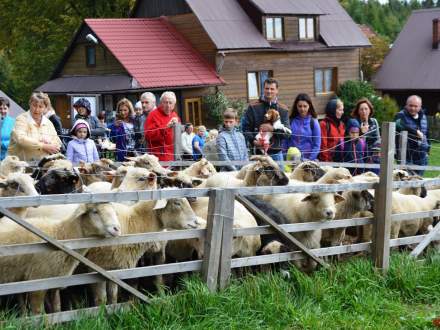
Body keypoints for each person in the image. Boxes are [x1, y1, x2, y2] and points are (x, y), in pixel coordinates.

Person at [241, 78, 290, 162]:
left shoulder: (283, 109)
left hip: (276, 154)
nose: (269, 91)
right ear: (263, 89)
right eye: (267, 88)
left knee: (279, 175)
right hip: (257, 153)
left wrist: (272, 129)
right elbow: (245, 129)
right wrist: (254, 141)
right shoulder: (252, 107)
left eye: (272, 89)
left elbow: (288, 134)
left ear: (277, 90)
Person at [8, 92, 61, 161]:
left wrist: (50, 144)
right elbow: (21, 139)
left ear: (45, 108)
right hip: (20, 164)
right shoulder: (21, 119)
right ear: (30, 104)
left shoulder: (48, 123)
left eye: (40, 106)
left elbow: (57, 142)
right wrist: (43, 146)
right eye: (34, 105)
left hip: (42, 164)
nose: (37, 109)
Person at [395, 95, 430, 175]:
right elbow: (398, 125)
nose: (413, 108)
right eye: (410, 105)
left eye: (416, 106)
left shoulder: (424, 117)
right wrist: (415, 132)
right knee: (406, 180)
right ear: (406, 105)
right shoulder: (400, 115)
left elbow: (427, 133)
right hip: (406, 155)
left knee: (418, 181)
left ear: (420, 106)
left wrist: (428, 149)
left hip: (422, 155)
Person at [144, 91, 180, 161]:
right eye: (165, 102)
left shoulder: (175, 116)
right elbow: (148, 136)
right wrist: (166, 127)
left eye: (170, 103)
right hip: (157, 157)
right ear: (160, 103)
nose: (168, 105)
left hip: (173, 155)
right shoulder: (153, 115)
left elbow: (178, 136)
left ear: (174, 105)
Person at [285, 93, 321, 161]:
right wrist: (285, 156)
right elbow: (285, 141)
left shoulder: (314, 122)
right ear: (296, 106)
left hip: (308, 161)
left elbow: (317, 145)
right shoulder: (291, 121)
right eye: (300, 106)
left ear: (309, 106)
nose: (302, 109)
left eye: (305, 106)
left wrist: (309, 160)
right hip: (291, 160)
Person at [350, 98, 381, 163]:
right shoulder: (355, 123)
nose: (364, 111)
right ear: (358, 111)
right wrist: (362, 133)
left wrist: (375, 151)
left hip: (373, 153)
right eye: (361, 109)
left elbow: (378, 139)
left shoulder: (374, 121)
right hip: (360, 154)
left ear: (370, 110)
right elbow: (353, 142)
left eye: (366, 109)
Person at [319, 98, 345, 162]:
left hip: (340, 160)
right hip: (329, 161)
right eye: (340, 110)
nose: (342, 112)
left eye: (342, 110)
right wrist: (327, 162)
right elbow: (323, 146)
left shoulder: (341, 124)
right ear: (333, 110)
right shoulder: (324, 124)